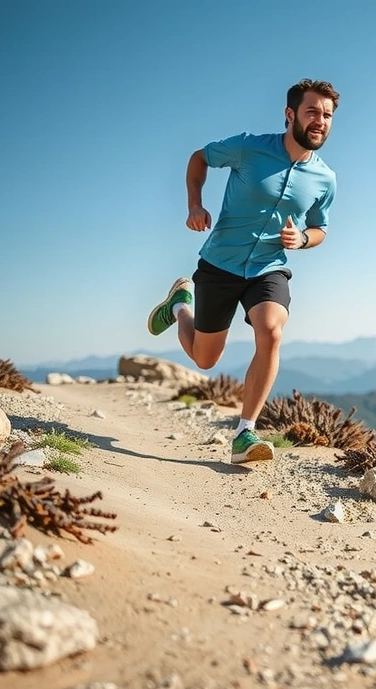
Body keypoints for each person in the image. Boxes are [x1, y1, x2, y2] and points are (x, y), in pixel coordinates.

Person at [146, 79, 339, 464]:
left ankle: (244, 432)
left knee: (271, 332)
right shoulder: (250, 147)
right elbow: (199, 158)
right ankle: (180, 306)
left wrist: (302, 238)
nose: (320, 121)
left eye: (328, 115)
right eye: (312, 112)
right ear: (290, 115)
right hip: (220, 264)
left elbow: (321, 228)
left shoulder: (325, 179)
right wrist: (194, 205)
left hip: (269, 268)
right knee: (205, 360)